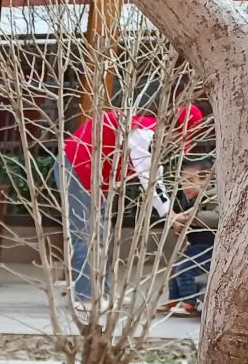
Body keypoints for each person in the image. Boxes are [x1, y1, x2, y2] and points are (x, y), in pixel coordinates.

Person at [59, 104, 203, 306]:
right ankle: (85, 298)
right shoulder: (143, 134)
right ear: (173, 128)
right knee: (88, 235)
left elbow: (153, 173)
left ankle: (103, 293)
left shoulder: (146, 130)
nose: (176, 144)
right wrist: (169, 215)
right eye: (179, 138)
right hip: (76, 168)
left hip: (92, 176)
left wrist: (169, 213)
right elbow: (150, 179)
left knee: (103, 234)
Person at [157, 151, 218, 317]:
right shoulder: (191, 201)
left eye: (190, 181)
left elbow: (217, 217)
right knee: (175, 269)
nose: (185, 186)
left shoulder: (213, 197)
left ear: (207, 179)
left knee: (186, 269)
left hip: (211, 247)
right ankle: (174, 301)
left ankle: (190, 304)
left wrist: (188, 218)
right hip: (196, 246)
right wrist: (181, 226)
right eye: (182, 182)